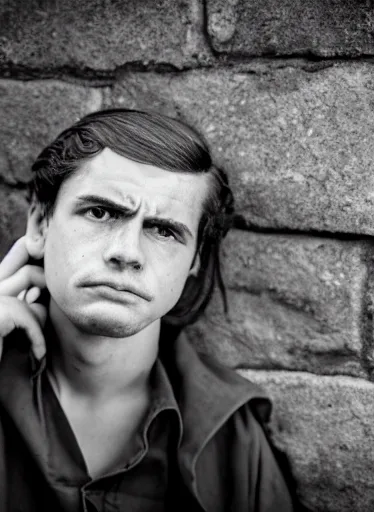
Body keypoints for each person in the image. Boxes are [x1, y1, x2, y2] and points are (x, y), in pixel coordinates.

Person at [0, 109, 296, 511]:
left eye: (164, 230)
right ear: (40, 224)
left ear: (195, 259)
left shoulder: (232, 439)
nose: (126, 252)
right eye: (100, 212)